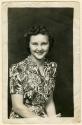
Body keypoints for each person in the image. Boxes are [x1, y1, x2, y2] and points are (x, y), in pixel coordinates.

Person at [9, 24, 59, 118]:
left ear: (49, 44)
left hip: (43, 119)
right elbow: (17, 107)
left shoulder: (52, 67)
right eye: (34, 44)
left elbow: (49, 101)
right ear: (29, 45)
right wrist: (42, 122)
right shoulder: (17, 68)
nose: (39, 48)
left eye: (44, 44)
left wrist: (53, 120)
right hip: (22, 120)